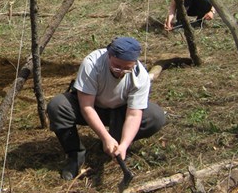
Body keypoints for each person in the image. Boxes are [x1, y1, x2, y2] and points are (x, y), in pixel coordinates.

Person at [47, 37, 166, 180]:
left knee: (155, 116)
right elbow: (86, 106)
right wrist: (105, 137)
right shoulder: (92, 63)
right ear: (109, 55)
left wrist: (124, 144)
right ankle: (75, 155)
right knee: (58, 106)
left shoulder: (140, 75)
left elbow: (134, 115)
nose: (121, 71)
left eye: (127, 68)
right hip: (92, 106)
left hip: (119, 110)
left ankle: (115, 143)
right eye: (116, 66)